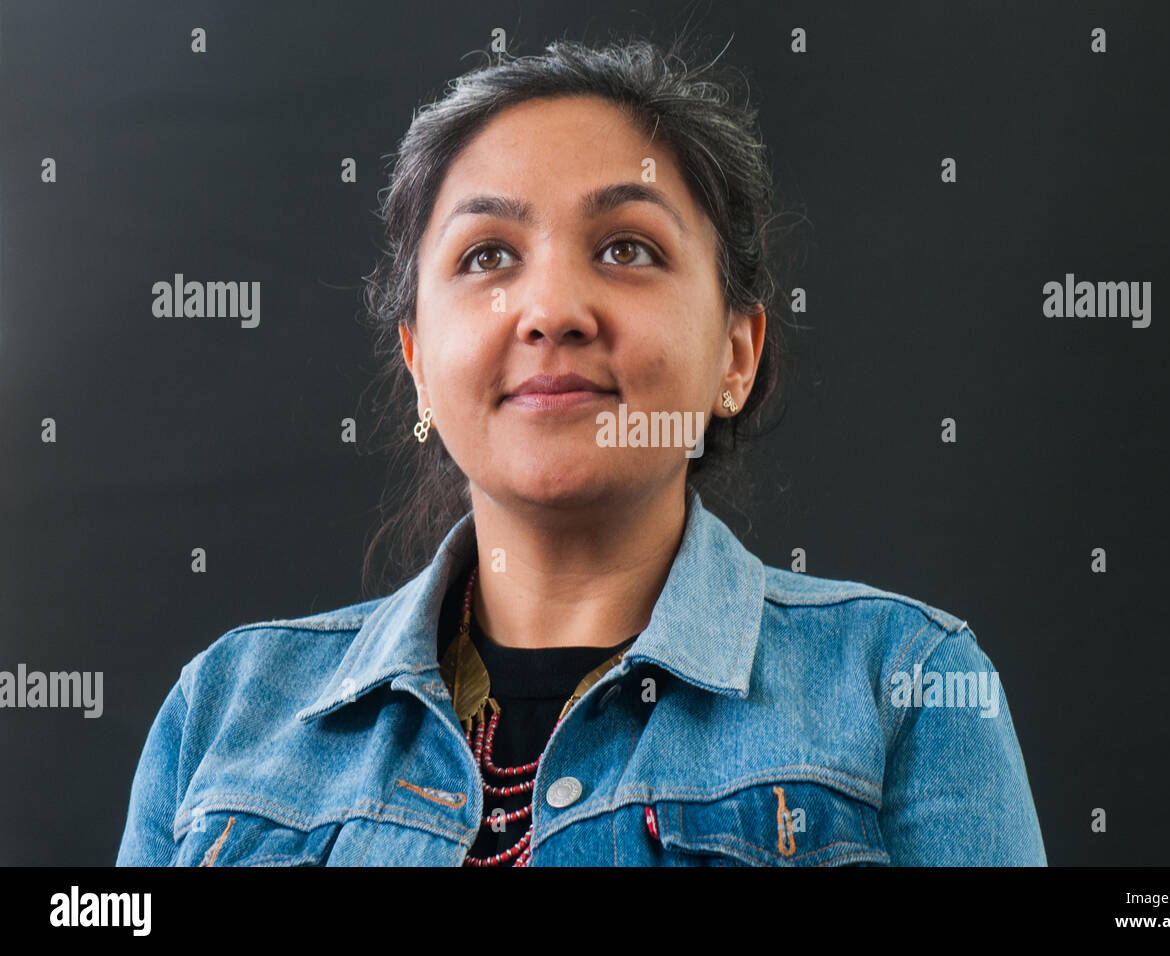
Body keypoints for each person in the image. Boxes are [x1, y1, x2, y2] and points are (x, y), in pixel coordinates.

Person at [116, 36, 1046, 867]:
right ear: (419, 366)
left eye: (627, 248)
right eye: (487, 256)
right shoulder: (224, 712)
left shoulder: (909, 689)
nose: (552, 310)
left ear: (736, 354)